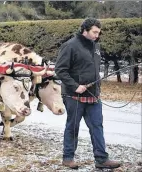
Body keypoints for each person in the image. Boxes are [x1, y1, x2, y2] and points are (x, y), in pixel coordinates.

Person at [55, 18, 122, 169]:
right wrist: (75, 86)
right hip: (74, 95)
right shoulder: (70, 46)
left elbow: (93, 70)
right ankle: (68, 158)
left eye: (98, 33)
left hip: (93, 95)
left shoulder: (96, 46)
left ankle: (101, 159)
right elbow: (60, 70)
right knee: (73, 126)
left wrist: (97, 89)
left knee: (97, 126)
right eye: (94, 32)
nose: (97, 35)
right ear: (85, 30)